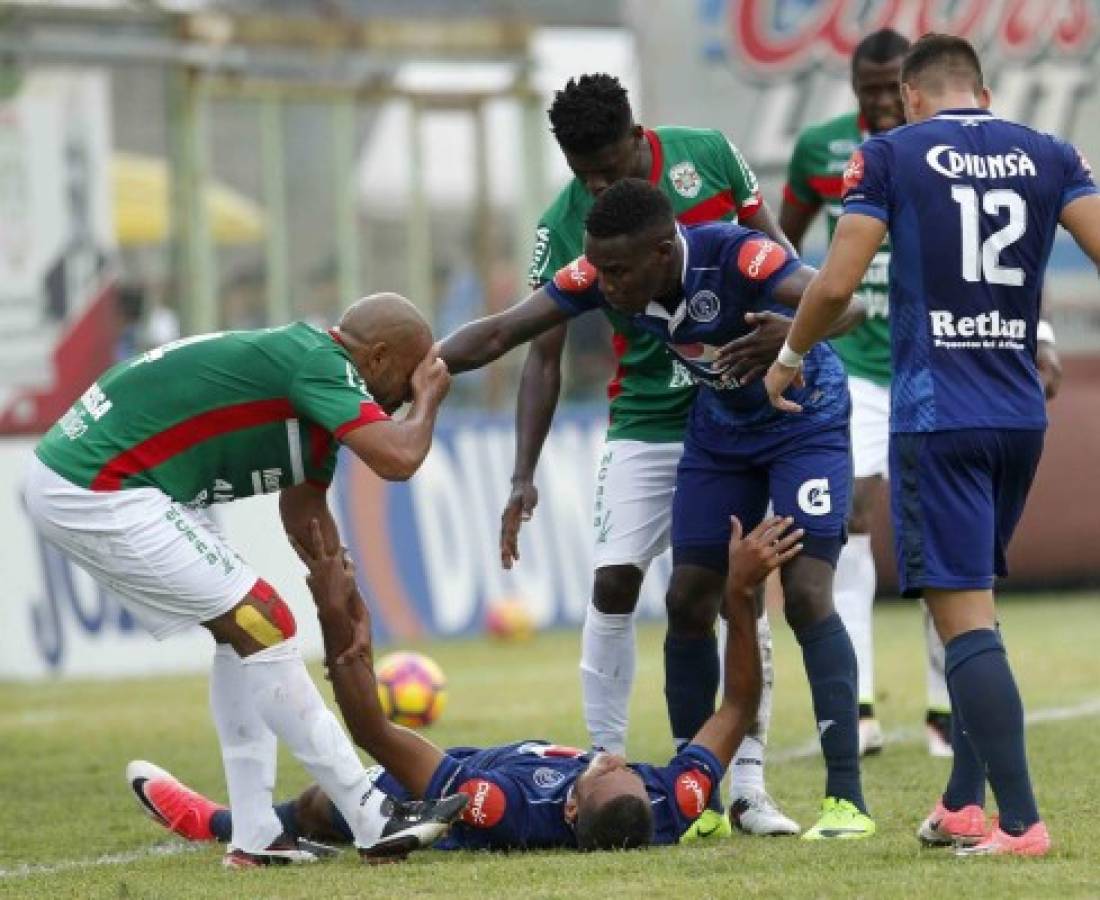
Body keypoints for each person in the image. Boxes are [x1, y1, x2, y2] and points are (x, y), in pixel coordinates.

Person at [437, 178, 874, 840]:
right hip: (721, 433)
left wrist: (793, 337)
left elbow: (848, 306)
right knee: (688, 598)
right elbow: (502, 332)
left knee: (809, 592)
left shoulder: (739, 258)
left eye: (618, 271)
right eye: (600, 269)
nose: (606, 286)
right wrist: (418, 372)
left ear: (664, 253)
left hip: (801, 423)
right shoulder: (602, 271)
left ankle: (846, 800)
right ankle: (694, 794)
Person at [763, 33, 1100, 857]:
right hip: (1020, 415)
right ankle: (959, 804)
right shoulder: (1050, 152)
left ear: (911, 97)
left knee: (965, 621)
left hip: (934, 412)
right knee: (971, 612)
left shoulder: (888, 156)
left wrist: (790, 356)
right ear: (982, 95)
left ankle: (1019, 823)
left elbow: (837, 282)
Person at [23, 294, 465, 867]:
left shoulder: (316, 379)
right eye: (402, 386)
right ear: (377, 358)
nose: (399, 402)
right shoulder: (324, 366)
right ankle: (369, 814)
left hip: (103, 478)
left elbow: (303, 508)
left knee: (243, 630)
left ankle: (255, 835)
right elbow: (398, 459)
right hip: (97, 482)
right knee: (265, 620)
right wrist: (427, 403)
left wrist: (344, 590)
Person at [128, 514, 804, 851]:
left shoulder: (500, 802)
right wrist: (740, 595)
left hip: (439, 804)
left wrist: (340, 617)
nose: (615, 758)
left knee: (329, 801)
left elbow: (374, 731)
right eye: (628, 768)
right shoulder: (667, 801)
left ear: (571, 812)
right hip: (499, 764)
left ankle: (217, 824)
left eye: (602, 772)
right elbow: (739, 704)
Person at [507, 72, 799, 835]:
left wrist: (788, 344)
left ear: (639, 134)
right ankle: (604, 763)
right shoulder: (560, 224)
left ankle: (746, 786)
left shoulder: (708, 157)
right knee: (611, 583)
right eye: (585, 174)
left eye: (611, 165)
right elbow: (540, 356)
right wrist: (521, 475)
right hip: (643, 417)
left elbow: (779, 256)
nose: (600, 185)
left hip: (731, 412)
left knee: (728, 589)